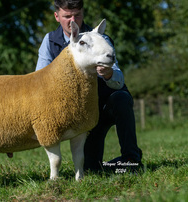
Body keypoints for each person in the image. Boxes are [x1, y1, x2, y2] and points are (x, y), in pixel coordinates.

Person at [35, 0, 142, 173]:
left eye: (77, 15)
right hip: (80, 117)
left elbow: (119, 80)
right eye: (67, 16)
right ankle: (112, 168)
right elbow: (38, 82)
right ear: (57, 16)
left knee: (122, 97)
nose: (72, 20)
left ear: (83, 14)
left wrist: (107, 74)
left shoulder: (100, 38)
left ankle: (131, 161)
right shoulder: (49, 41)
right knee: (91, 169)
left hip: (104, 105)